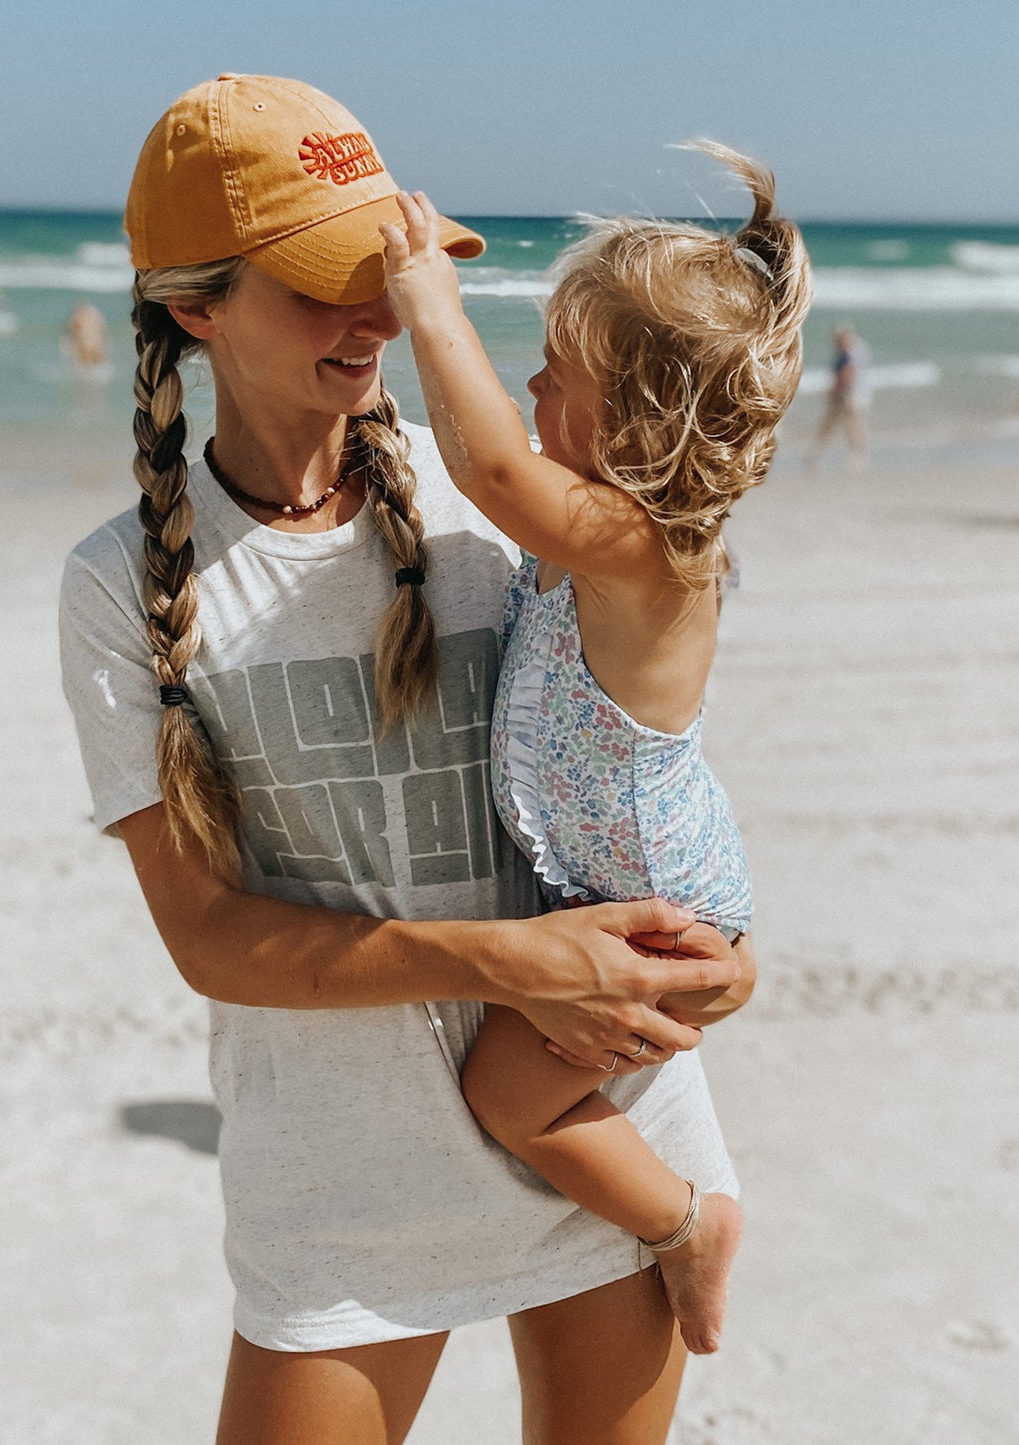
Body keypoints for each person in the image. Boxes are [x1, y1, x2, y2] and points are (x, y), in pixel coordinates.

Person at [60, 75, 752, 1444]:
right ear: (194, 307)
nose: (377, 311)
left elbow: (646, 763)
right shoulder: (120, 583)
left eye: (388, 268)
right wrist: (511, 962)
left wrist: (721, 960)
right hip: (341, 1186)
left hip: (602, 1139)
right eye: (325, 283)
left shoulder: (508, 507)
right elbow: (210, 939)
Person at [379, 150, 811, 1356]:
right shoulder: (593, 542)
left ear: (638, 419)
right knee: (508, 1093)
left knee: (503, 1096)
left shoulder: (650, 548)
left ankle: (684, 1224)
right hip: (623, 893)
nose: (528, 384)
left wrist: (427, 300)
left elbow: (490, 467)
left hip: (661, 915)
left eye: (557, 375)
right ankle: (668, 1219)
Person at [807, 324, 871, 471]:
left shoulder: (850, 351)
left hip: (849, 394)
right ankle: (817, 452)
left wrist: (834, 390)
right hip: (853, 393)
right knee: (840, 423)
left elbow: (848, 373)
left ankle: (855, 455)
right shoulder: (856, 350)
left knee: (850, 425)